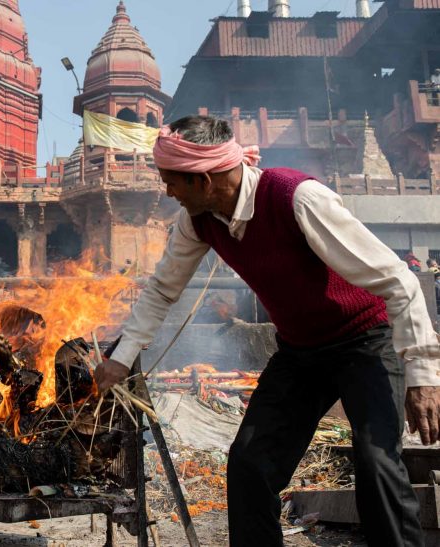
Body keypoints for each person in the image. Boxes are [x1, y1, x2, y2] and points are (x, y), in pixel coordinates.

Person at [94, 116, 440, 547]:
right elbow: (163, 289)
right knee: (249, 465)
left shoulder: (297, 198)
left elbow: (398, 280)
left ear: (203, 179)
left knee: (377, 465)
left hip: (365, 341)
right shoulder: (199, 220)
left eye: (172, 183)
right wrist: (121, 357)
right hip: (301, 353)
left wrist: (424, 376)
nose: (168, 193)